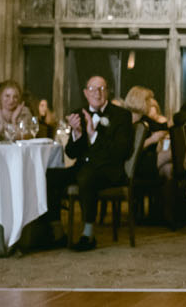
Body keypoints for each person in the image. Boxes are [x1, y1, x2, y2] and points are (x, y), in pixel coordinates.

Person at [47, 75, 135, 252]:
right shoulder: (78, 114)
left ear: (108, 92)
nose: (97, 93)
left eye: (102, 88)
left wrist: (94, 135)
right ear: (86, 93)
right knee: (49, 176)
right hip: (82, 168)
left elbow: (121, 152)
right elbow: (71, 152)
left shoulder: (122, 116)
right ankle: (57, 232)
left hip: (110, 171)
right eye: (93, 89)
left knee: (86, 176)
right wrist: (77, 134)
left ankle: (88, 234)